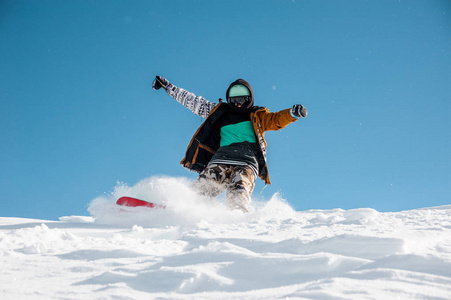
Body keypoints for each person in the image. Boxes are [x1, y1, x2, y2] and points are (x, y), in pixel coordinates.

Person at [152, 75, 307, 212]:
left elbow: (275, 120)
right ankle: (184, 208)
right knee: (204, 185)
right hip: (221, 160)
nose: (238, 104)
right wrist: (169, 87)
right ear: (229, 99)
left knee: (239, 189)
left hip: (247, 163)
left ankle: (237, 214)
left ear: (249, 99)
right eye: (234, 100)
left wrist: (292, 113)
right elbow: (194, 102)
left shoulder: (257, 115)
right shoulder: (219, 111)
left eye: (242, 100)